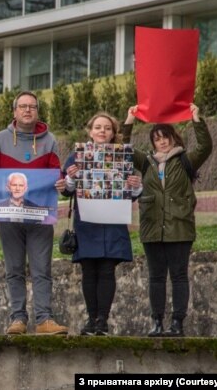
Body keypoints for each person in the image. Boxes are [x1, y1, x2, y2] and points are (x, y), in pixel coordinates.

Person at [0, 91, 68, 335]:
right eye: (23, 106)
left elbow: (57, 175)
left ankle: (44, 319)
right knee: (13, 269)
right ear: (14, 111)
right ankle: (18, 319)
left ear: (37, 111)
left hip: (40, 217)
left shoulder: (50, 141)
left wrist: (61, 183)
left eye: (32, 107)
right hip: (9, 218)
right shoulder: (1, 139)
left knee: (41, 269)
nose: (27, 110)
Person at [124, 104, 212, 337]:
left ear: (173, 138)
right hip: (152, 227)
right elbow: (124, 150)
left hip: (179, 227)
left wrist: (196, 119)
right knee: (156, 277)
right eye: (157, 139)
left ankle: (177, 323)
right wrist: (129, 122)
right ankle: (156, 322)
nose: (162, 142)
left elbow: (205, 147)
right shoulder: (146, 162)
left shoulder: (186, 160)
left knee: (179, 275)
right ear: (153, 142)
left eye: (165, 137)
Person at [62, 112, 143, 336]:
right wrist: (70, 177)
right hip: (87, 222)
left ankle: (102, 321)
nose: (102, 131)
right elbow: (65, 189)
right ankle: (91, 320)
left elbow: (132, 193)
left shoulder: (123, 156)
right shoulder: (78, 155)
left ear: (113, 133)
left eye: (107, 128)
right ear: (90, 131)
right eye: (98, 127)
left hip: (112, 222)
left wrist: (135, 185)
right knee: (89, 271)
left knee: (107, 270)